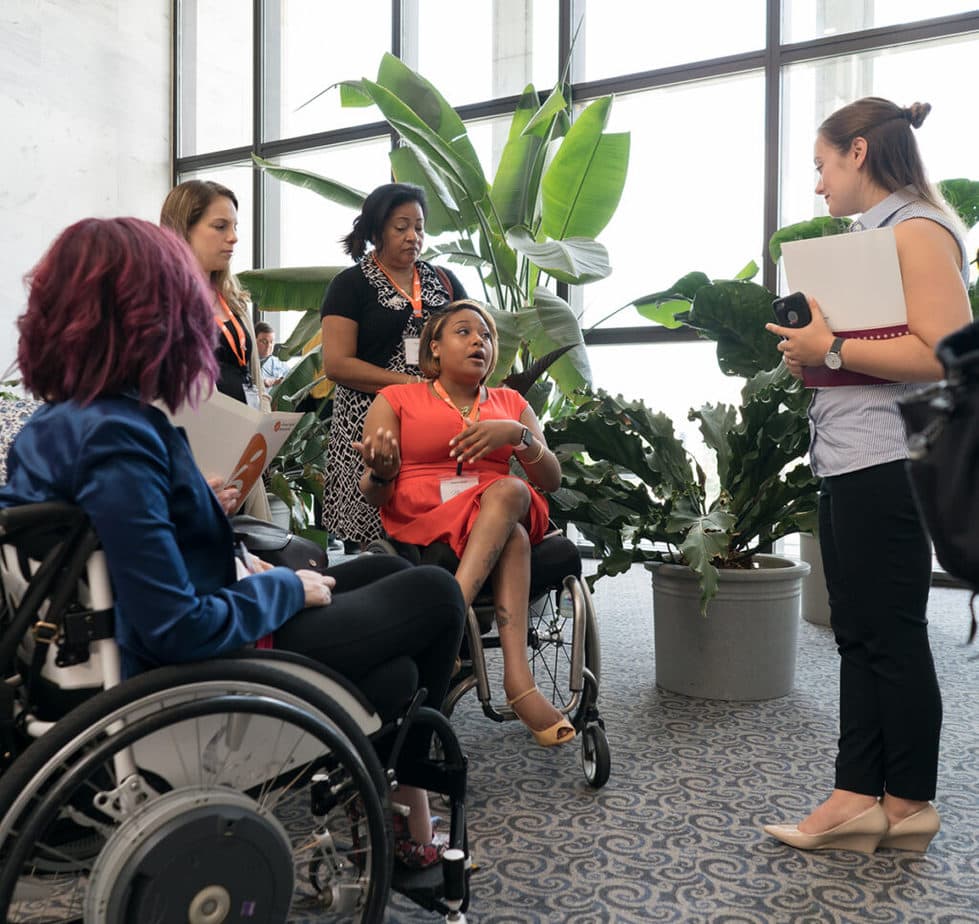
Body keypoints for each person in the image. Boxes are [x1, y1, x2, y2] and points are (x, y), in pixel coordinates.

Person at [0, 217, 465, 868]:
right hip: (193, 666)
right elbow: (174, 626)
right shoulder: (119, 436)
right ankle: (410, 802)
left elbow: (123, 532)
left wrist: (195, 506)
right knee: (435, 592)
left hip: (133, 643)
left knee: (390, 650)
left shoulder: (52, 427)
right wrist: (281, 587)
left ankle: (395, 796)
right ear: (157, 316)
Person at [764, 98, 971, 854]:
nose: (817, 185)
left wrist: (834, 349)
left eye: (821, 165)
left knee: (889, 633)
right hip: (850, 454)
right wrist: (811, 353)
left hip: (890, 460)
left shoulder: (916, 231)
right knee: (860, 631)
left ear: (857, 152)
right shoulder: (872, 237)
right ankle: (859, 793)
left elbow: (943, 355)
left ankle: (907, 799)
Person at [357, 300, 576, 748]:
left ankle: (450, 619)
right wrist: (381, 471)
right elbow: (375, 493)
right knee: (511, 523)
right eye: (464, 332)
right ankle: (519, 684)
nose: (480, 340)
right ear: (433, 349)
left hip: (496, 507)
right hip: (424, 517)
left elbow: (550, 479)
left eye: (487, 335)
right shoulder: (397, 398)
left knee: (512, 493)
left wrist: (517, 435)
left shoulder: (510, 402)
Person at [320, 183, 466, 546]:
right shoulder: (350, 285)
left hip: (433, 423)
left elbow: (471, 337)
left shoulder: (444, 282)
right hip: (370, 422)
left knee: (437, 526)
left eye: (418, 226)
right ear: (376, 230)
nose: (413, 236)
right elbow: (337, 364)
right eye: (401, 227)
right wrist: (408, 385)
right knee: (377, 536)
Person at [161, 179, 274, 521]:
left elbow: (253, 376)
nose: (234, 237)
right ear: (184, 230)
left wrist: (264, 428)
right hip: (198, 455)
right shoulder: (163, 303)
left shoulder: (235, 300)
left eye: (235, 226)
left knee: (258, 546)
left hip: (244, 451)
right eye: (220, 226)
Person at [255, 321, 290, 388]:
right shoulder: (246, 362)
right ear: (254, 340)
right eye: (264, 341)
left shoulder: (280, 363)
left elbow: (292, 377)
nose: (268, 346)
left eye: (271, 342)